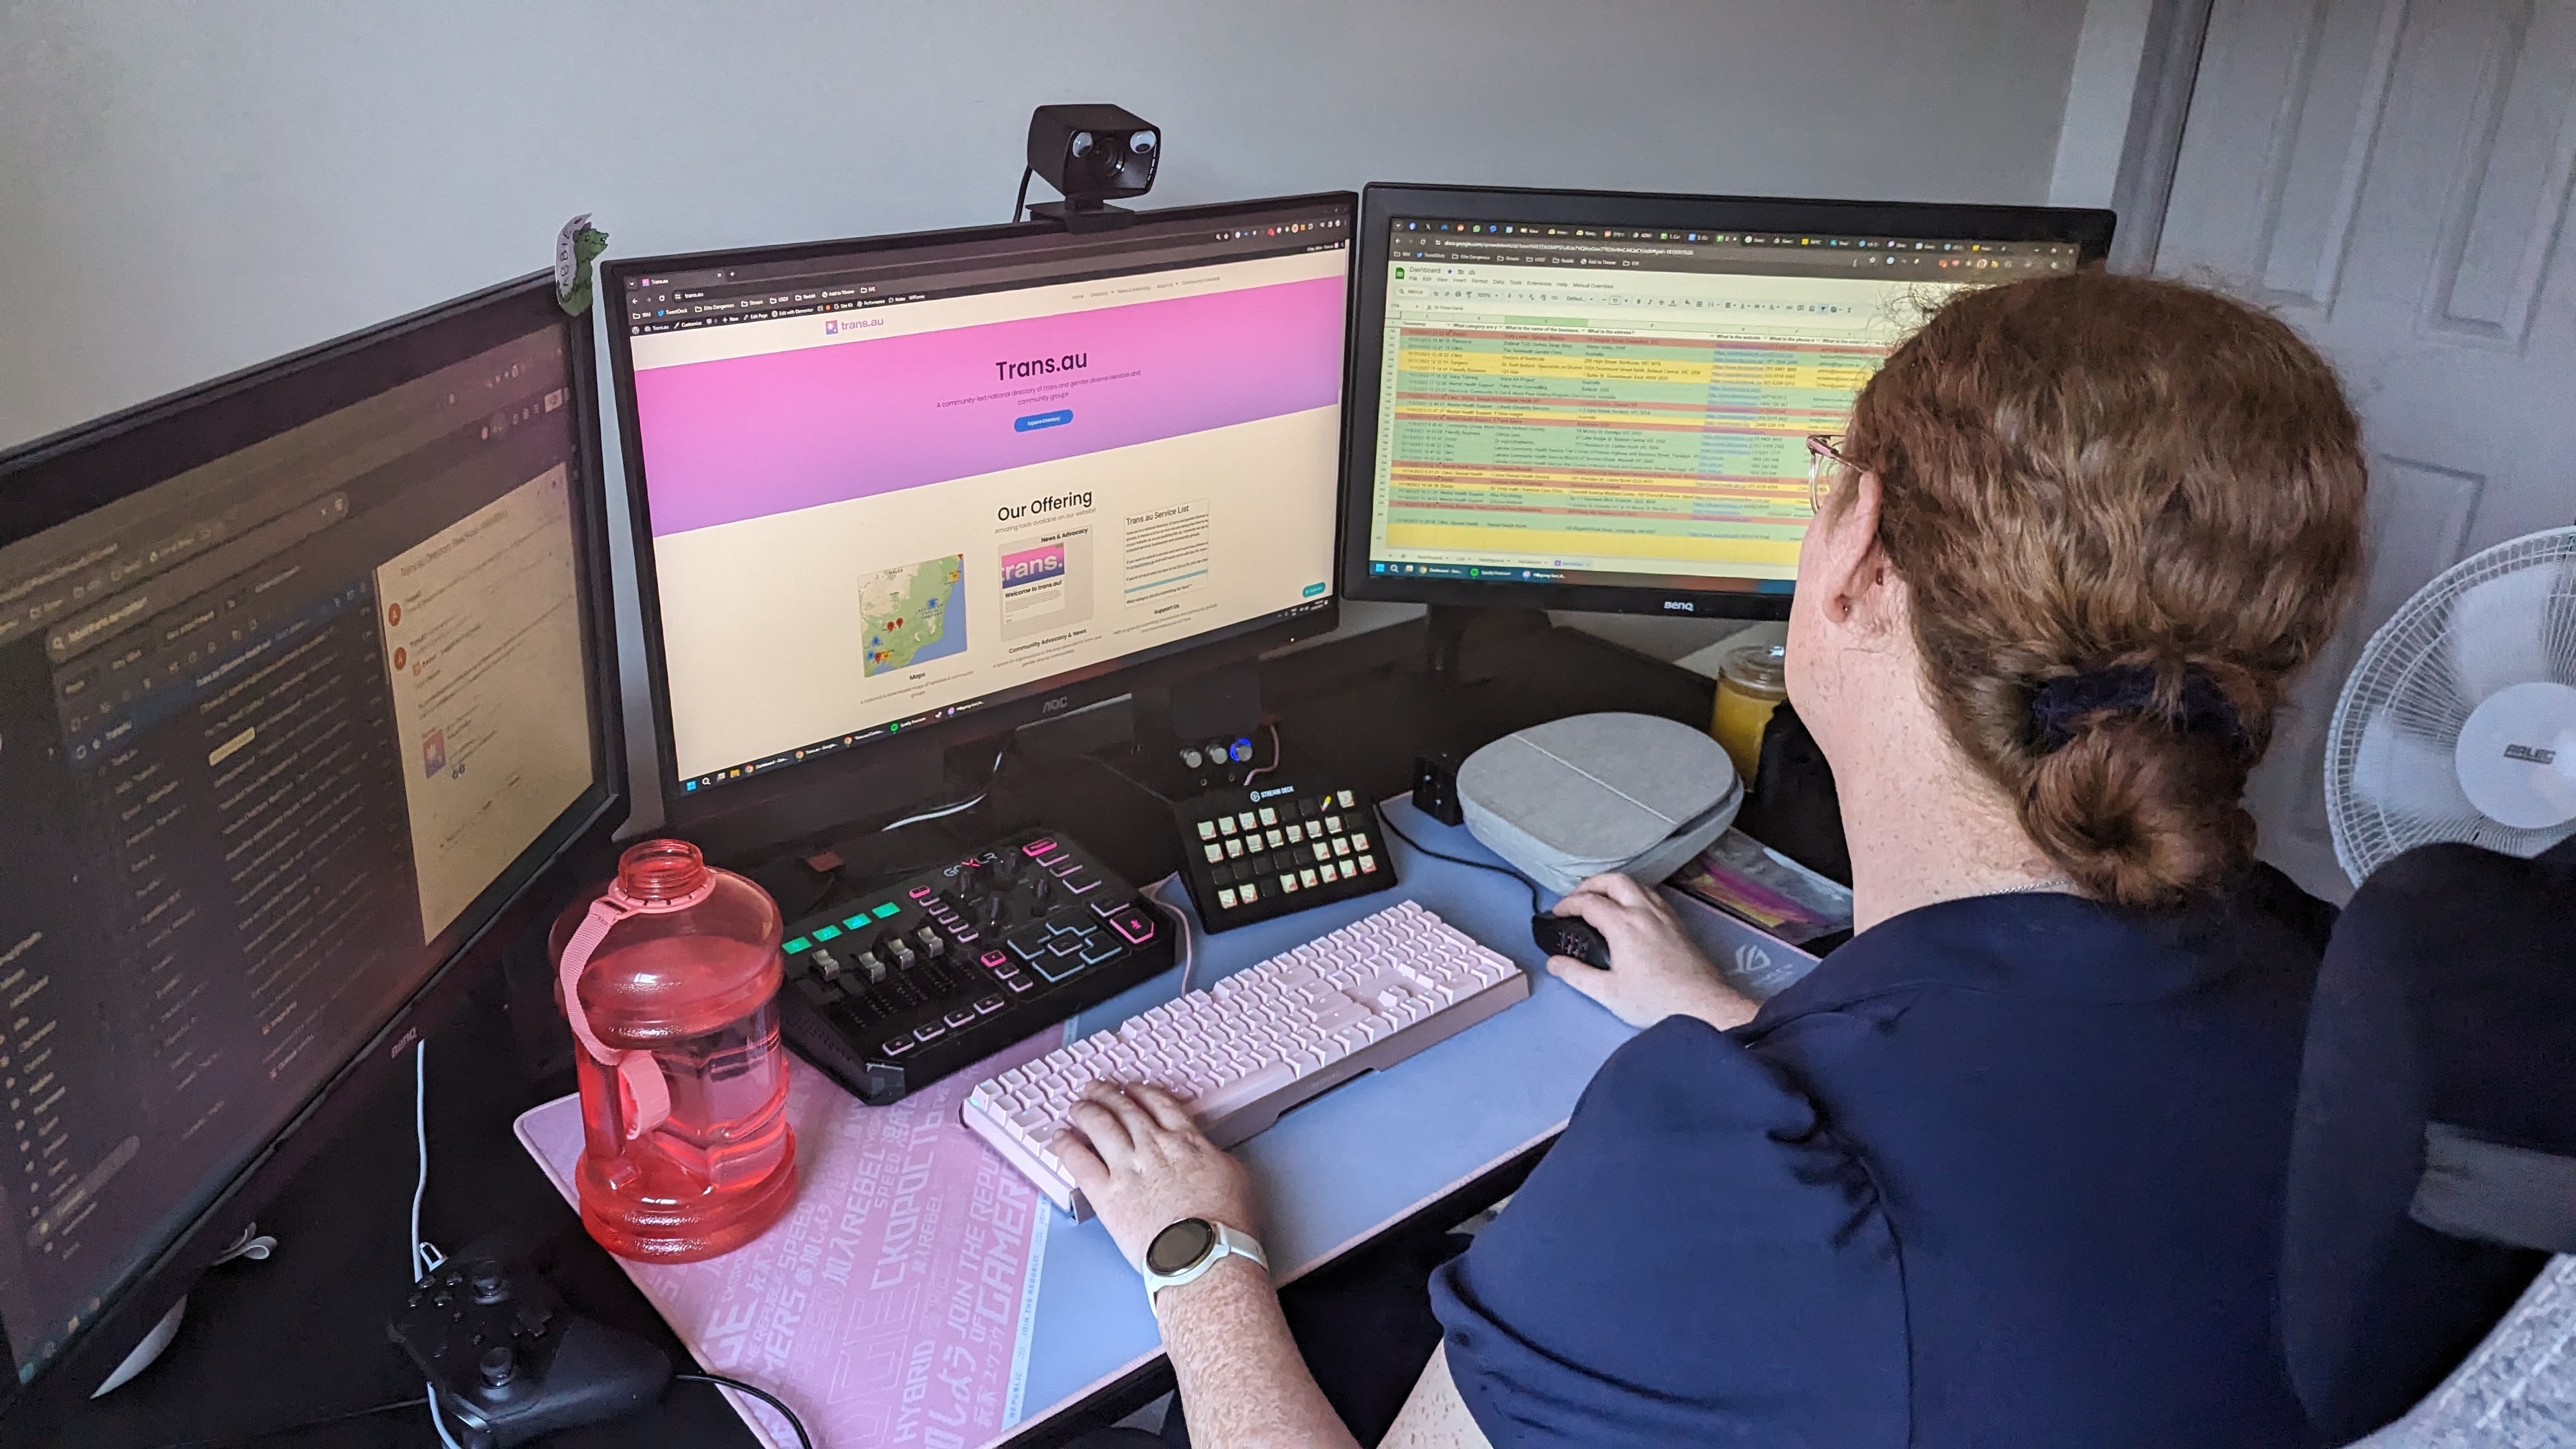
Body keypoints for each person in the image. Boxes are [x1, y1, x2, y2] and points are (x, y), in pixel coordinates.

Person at [1054, 270, 2370, 1447]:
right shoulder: (2330, 979)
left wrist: (1197, 1254)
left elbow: (1846, 1226)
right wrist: (1742, 1023)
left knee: (1305, 1292)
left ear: (1856, 555)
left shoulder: (1728, 1173)